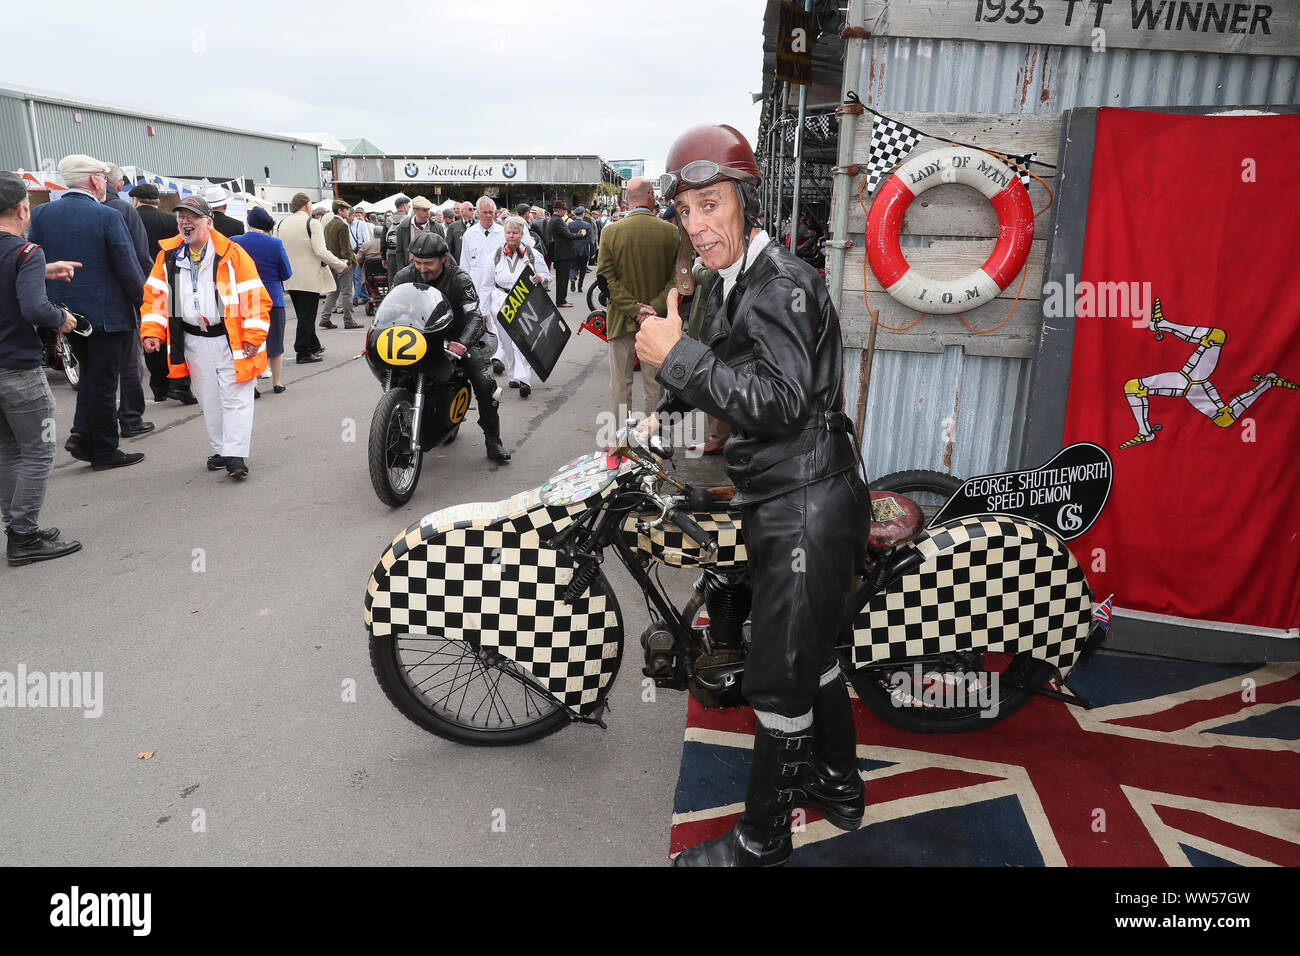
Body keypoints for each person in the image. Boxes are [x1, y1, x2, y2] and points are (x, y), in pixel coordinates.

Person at [636, 123, 868, 867]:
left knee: (776, 674)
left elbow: (781, 400)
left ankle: (762, 841)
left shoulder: (784, 284)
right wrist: (655, 411)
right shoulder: (731, 280)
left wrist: (678, 359)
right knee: (815, 654)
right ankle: (837, 783)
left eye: (712, 205)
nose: (698, 226)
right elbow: (714, 363)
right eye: (686, 212)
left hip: (806, 499)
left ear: (746, 202)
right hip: (792, 489)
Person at [29, 154, 146, 471]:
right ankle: (105, 450)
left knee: (91, 377)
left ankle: (81, 436)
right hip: (108, 316)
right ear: (96, 180)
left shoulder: (41, 214)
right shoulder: (107, 215)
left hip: (64, 315)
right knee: (104, 382)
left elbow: (33, 263)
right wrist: (146, 307)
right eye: (104, 178)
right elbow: (128, 268)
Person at [141, 196, 271, 478]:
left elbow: (255, 297)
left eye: (192, 217)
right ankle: (222, 449)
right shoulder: (169, 255)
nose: (185, 223)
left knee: (235, 397)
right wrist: (152, 331)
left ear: (208, 222)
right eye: (181, 218)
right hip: (192, 341)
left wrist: (253, 335)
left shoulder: (232, 253)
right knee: (208, 397)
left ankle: (236, 455)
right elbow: (155, 297)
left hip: (231, 339)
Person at [0, 171, 82, 565]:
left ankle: (18, 527)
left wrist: (42, 271)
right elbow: (34, 308)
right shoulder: (25, 251)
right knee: (38, 451)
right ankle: (24, 537)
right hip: (17, 367)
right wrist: (62, 317)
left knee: (8, 451)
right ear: (22, 209)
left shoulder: (24, 259)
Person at [392, 232, 510, 462]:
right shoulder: (403, 276)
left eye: (428, 263)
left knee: (486, 385)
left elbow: (475, 317)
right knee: (392, 372)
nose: (422, 268)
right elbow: (391, 310)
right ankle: (395, 426)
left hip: (454, 338)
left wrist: (462, 344)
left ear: (444, 259)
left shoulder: (459, 279)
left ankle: (493, 440)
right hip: (415, 337)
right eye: (417, 262)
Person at [596, 176, 678, 430]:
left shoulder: (610, 232)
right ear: (651, 197)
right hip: (658, 321)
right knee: (655, 383)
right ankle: (653, 440)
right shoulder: (671, 232)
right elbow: (677, 278)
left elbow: (605, 278)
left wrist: (633, 308)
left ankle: (620, 440)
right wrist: (653, 307)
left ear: (626, 200)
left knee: (620, 383)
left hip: (621, 320)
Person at [130, 183, 197, 404]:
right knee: (176, 333)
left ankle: (159, 387)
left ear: (135, 201)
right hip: (173, 280)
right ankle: (179, 383)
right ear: (157, 201)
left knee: (150, 332)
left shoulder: (128, 219)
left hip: (140, 281)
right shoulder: (171, 220)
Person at [103, 165, 155, 439]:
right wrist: (145, 298)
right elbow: (139, 256)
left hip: (77, 305)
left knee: (96, 369)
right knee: (130, 363)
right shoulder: (123, 211)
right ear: (118, 184)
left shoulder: (50, 213)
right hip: (122, 299)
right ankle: (131, 419)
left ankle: (95, 427)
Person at [475, 215, 551, 398]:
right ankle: (513, 375)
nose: (512, 236)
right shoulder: (495, 256)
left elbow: (548, 277)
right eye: (508, 232)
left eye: (515, 233)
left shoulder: (533, 255)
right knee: (506, 340)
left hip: (525, 299)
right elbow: (486, 286)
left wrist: (542, 279)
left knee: (522, 339)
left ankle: (524, 379)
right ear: (504, 234)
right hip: (500, 301)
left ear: (521, 234)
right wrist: (483, 311)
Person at [276, 192, 347, 364]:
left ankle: (313, 344)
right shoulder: (312, 223)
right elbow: (321, 251)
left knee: (303, 314)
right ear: (307, 206)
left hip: (289, 277)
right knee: (307, 315)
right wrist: (340, 264)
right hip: (309, 277)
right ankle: (303, 351)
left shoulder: (282, 223)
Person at [232, 206, 293, 393]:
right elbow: (286, 272)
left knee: (250, 341)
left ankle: (254, 384)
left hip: (245, 299)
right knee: (275, 341)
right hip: (272, 298)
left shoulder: (234, 242)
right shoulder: (275, 244)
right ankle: (277, 382)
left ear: (248, 223)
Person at [319, 199, 359, 330]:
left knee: (333, 291)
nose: (348, 212)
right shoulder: (342, 225)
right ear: (340, 211)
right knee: (347, 292)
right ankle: (349, 320)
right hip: (343, 263)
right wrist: (348, 260)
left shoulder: (329, 225)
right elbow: (346, 248)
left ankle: (325, 318)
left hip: (332, 262)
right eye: (346, 210)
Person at [546, 201, 585, 309]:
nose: (566, 211)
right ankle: (561, 300)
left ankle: (561, 300)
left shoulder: (555, 220)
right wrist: (580, 235)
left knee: (562, 279)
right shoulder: (557, 221)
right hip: (563, 254)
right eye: (564, 209)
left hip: (560, 253)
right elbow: (567, 235)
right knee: (562, 279)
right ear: (558, 210)